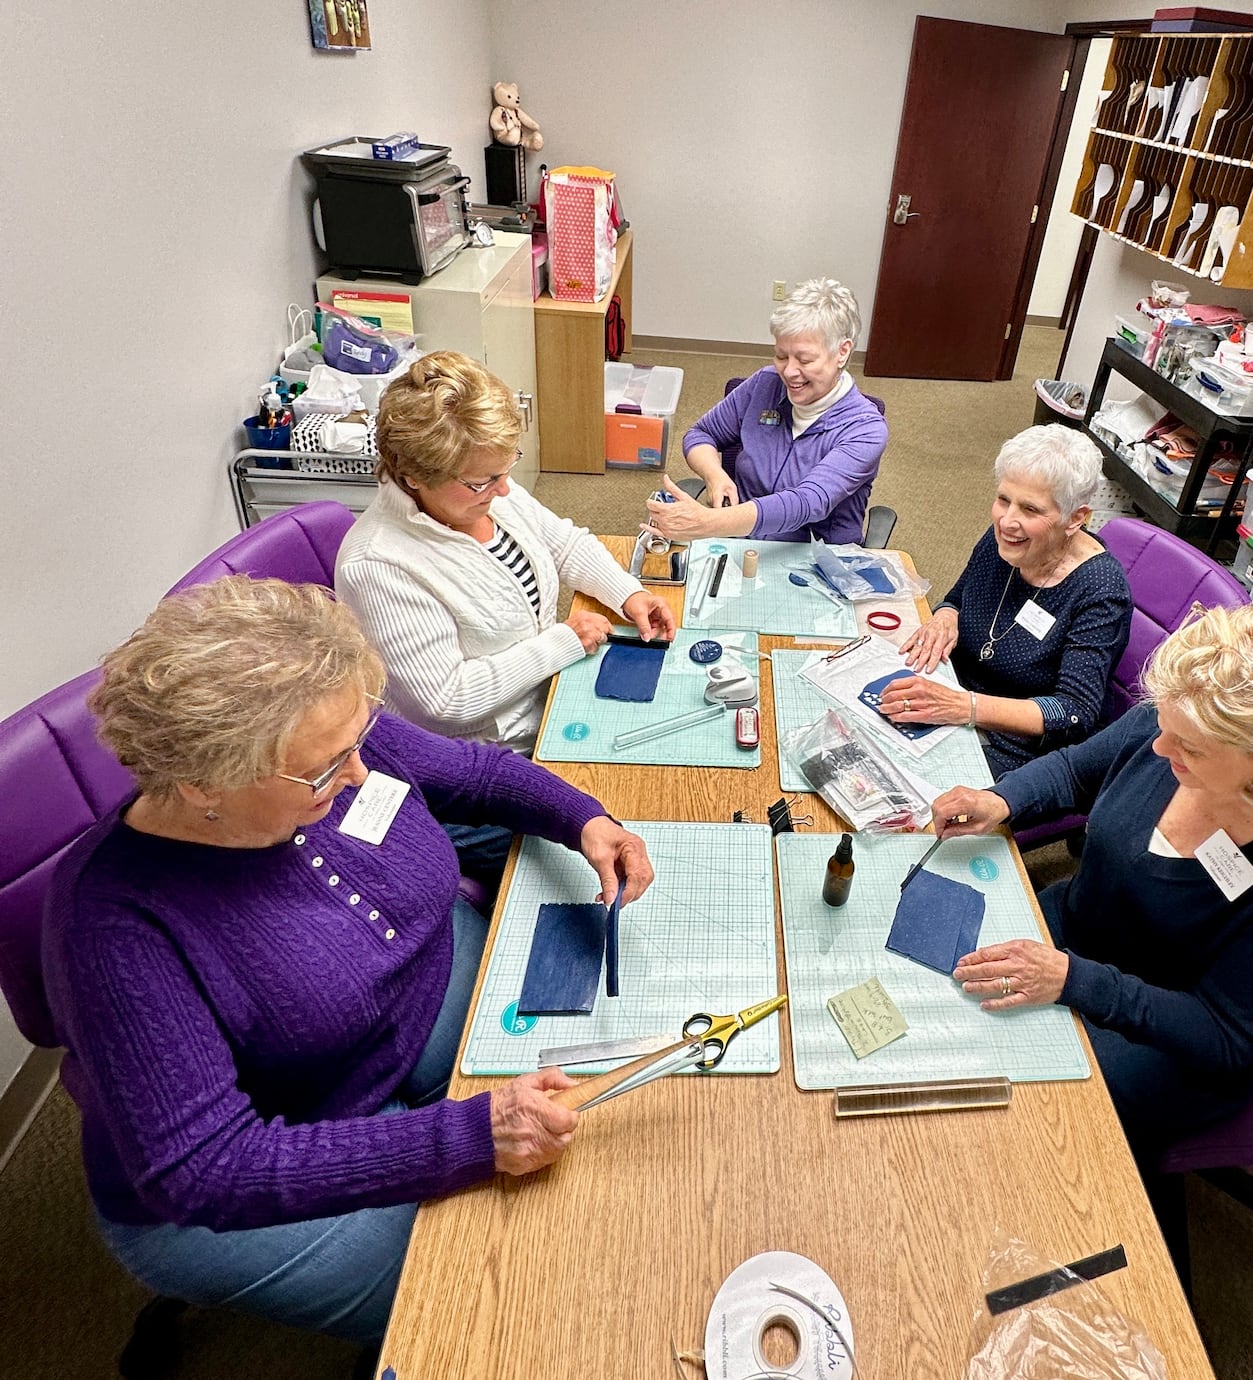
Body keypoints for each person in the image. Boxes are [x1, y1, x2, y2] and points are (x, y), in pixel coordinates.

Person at [42, 576, 655, 1345]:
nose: (362, 773)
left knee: (607, 1163)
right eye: (325, 771)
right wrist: (465, 1138)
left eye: (357, 742)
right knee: (491, 1301)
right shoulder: (113, 925)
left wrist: (585, 820)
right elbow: (205, 1168)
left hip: (406, 1009)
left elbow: (473, 774)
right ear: (206, 783)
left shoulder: (323, 734)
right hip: (263, 1156)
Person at [932, 604, 1253, 1162]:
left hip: (1169, 1034)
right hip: (1079, 933)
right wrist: (1002, 798)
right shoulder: (1176, 722)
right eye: (1164, 728)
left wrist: (1074, 981)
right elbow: (1075, 770)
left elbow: (1228, 1035)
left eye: (1191, 749)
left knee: (1017, 1125)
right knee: (944, 1002)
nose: (1161, 751)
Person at [336, 350, 676, 752]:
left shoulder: (488, 493)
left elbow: (566, 545)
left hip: (547, 693)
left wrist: (628, 593)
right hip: (487, 754)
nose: (502, 489)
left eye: (506, 469)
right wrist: (562, 642)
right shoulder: (376, 564)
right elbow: (447, 699)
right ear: (413, 477)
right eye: (482, 481)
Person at [885, 426, 1132, 775]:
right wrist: (945, 615)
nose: (1007, 521)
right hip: (951, 693)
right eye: (1003, 499)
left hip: (1015, 745)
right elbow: (958, 596)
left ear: (1075, 518)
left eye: (1030, 509)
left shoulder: (1101, 590)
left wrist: (965, 707)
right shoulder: (1006, 539)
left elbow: (1074, 711)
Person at [642, 278, 888, 545]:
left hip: (815, 560)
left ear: (842, 351)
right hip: (738, 543)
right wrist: (714, 475)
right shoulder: (764, 384)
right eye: (782, 356)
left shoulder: (866, 429)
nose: (789, 372)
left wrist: (706, 523)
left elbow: (807, 502)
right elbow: (702, 434)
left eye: (804, 360)